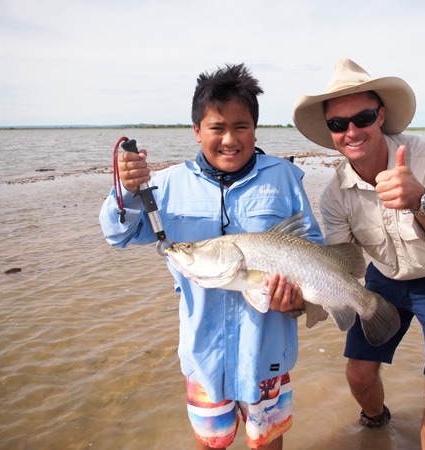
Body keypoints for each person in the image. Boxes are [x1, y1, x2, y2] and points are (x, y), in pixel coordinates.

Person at [100, 63, 325, 450]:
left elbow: (312, 247)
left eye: (241, 127)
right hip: (205, 358)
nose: (229, 139)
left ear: (255, 129)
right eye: (216, 128)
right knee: (211, 442)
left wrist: (299, 301)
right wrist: (126, 190)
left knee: (268, 441)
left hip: (267, 355)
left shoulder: (283, 177)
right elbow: (117, 235)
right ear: (196, 130)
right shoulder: (167, 184)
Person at [292, 59, 425, 450]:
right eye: (338, 124)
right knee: (359, 375)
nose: (351, 132)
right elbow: (340, 266)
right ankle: (378, 426)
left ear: (380, 116)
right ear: (330, 131)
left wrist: (422, 202)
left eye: (362, 117)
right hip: (384, 278)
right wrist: (301, 297)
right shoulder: (334, 196)